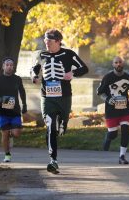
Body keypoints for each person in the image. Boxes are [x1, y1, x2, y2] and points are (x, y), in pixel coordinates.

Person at [31, 29, 88, 174]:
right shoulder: (40, 55)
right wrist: (34, 77)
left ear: (58, 41)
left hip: (64, 97)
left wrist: (72, 73)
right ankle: (53, 160)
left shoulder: (68, 54)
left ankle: (63, 123)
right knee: (50, 125)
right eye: (45, 41)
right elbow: (34, 69)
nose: (46, 43)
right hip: (47, 97)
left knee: (62, 124)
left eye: (49, 41)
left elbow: (84, 68)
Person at [97, 56, 129, 164]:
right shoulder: (107, 77)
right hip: (111, 110)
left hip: (125, 109)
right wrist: (108, 99)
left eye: (120, 62)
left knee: (125, 131)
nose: (118, 64)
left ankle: (122, 156)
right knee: (113, 134)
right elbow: (100, 92)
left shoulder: (128, 77)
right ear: (113, 64)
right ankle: (108, 137)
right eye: (116, 62)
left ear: (123, 64)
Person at [0, 57, 27, 162]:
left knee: (16, 133)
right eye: (7, 65)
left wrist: (24, 104)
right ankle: (7, 155)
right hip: (2, 112)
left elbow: (22, 92)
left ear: (13, 67)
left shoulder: (17, 79)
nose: (9, 67)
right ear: (3, 66)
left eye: (11, 65)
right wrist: (1, 99)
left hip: (15, 111)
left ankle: (11, 135)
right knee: (5, 133)